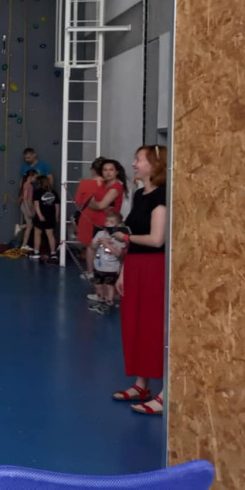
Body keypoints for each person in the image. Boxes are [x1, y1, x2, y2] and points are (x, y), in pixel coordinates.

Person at [110, 145, 168, 415]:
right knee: (135, 324)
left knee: (153, 326)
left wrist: (125, 237)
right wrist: (124, 271)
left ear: (154, 165)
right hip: (135, 266)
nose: (133, 164)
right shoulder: (139, 194)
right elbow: (133, 240)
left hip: (154, 268)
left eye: (138, 160)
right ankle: (141, 384)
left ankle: (166, 392)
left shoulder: (162, 196)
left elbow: (157, 239)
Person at [77, 159, 126, 279]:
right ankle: (92, 272)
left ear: (116, 172)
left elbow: (101, 205)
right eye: (105, 170)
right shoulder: (103, 184)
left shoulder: (116, 186)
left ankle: (105, 275)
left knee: (106, 248)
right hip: (98, 220)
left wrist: (90, 203)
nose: (108, 173)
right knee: (93, 246)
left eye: (111, 170)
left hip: (108, 222)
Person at [87, 209, 129, 314]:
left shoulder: (119, 238)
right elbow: (92, 247)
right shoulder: (100, 233)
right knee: (98, 285)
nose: (108, 224)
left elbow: (119, 254)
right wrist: (98, 243)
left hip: (111, 268)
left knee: (109, 286)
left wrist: (108, 245)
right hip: (99, 266)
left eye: (111, 222)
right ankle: (100, 299)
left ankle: (109, 302)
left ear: (118, 224)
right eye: (107, 221)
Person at [32, 175, 59, 262]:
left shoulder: (37, 192)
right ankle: (53, 253)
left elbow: (36, 205)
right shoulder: (54, 192)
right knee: (50, 234)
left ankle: (36, 252)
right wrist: (56, 216)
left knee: (37, 233)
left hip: (41, 215)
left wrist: (40, 215)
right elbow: (57, 206)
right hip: (51, 216)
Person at [17, 169, 40, 251]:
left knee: (30, 225)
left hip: (29, 205)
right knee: (30, 226)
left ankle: (20, 227)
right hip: (26, 205)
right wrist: (28, 210)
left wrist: (32, 208)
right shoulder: (27, 185)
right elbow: (25, 199)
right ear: (30, 176)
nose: (35, 179)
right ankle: (24, 245)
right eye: (35, 177)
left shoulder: (30, 185)